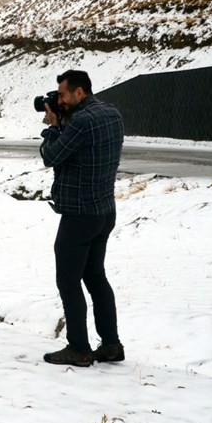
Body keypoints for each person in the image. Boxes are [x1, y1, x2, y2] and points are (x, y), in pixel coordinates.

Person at [39, 69, 125, 367]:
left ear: (79, 92)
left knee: (68, 279)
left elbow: (51, 156)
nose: (59, 101)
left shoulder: (80, 122)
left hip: (79, 214)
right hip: (104, 210)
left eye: (62, 95)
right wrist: (64, 121)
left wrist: (53, 126)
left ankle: (78, 347)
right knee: (95, 276)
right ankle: (111, 344)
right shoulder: (111, 113)